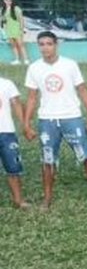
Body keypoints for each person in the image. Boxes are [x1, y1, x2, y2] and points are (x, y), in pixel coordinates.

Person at [21, 31, 87, 207]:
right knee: (47, 159)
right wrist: (26, 123)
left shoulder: (69, 65)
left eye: (49, 44)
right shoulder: (34, 68)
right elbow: (31, 97)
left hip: (71, 117)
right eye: (41, 44)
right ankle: (47, 198)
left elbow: (83, 90)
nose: (45, 48)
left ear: (56, 45)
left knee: (86, 156)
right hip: (47, 119)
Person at [0, 73, 30, 208]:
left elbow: (16, 104)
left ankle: (18, 200)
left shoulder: (7, 83)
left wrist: (25, 125)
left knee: (13, 168)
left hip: (6, 132)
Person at [3, 0, 30, 65]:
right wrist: (5, 29)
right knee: (13, 45)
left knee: (20, 45)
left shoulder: (16, 8)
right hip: (9, 30)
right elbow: (3, 20)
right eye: (7, 0)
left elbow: (21, 19)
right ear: (4, 1)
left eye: (10, 0)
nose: (8, 2)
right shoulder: (3, 10)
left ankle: (26, 60)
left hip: (17, 29)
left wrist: (22, 29)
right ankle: (17, 60)